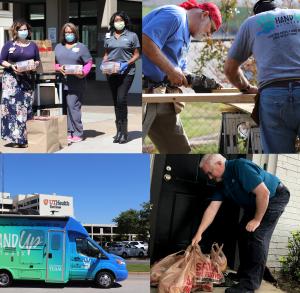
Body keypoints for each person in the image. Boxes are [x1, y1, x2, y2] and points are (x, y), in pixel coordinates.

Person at [192, 154, 290, 293]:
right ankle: (244, 274)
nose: (209, 177)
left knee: (257, 236)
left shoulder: (240, 166)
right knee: (243, 232)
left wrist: (257, 220)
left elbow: (264, 193)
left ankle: (250, 284)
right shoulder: (222, 182)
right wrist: (199, 233)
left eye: (210, 172)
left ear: (220, 164)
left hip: (274, 197)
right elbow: (212, 208)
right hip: (257, 202)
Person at [142, 0, 222, 154]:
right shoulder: (175, 15)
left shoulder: (187, 36)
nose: (209, 35)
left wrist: (197, 81)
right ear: (205, 15)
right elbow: (145, 41)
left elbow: (178, 71)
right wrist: (171, 70)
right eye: (211, 28)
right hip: (140, 90)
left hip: (159, 92)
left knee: (179, 151)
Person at [224, 0, 300, 153]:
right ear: (279, 8)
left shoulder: (252, 23)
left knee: (279, 155)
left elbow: (230, 69)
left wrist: (246, 87)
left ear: (256, 13)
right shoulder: (298, 14)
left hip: (274, 95)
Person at [0, 19, 40, 148]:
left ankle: (25, 138)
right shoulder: (9, 45)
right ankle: (16, 139)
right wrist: (12, 66)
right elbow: (1, 60)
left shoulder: (33, 45)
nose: (24, 32)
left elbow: (37, 60)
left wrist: (35, 65)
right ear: (15, 31)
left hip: (27, 79)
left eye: (25, 29)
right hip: (11, 80)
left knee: (25, 108)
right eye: (21, 29)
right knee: (12, 109)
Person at [102, 11, 140, 144]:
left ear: (125, 21)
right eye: (116, 20)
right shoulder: (108, 36)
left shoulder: (132, 36)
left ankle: (124, 132)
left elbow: (136, 55)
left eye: (120, 20)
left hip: (127, 72)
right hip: (111, 72)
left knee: (121, 99)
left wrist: (126, 64)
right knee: (115, 101)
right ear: (112, 23)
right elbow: (106, 53)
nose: (118, 22)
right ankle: (118, 131)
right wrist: (103, 64)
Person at [55, 22, 93, 143]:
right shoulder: (58, 47)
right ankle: (68, 132)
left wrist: (83, 73)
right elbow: (53, 62)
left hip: (76, 83)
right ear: (63, 34)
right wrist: (58, 68)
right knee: (64, 109)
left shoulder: (81, 47)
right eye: (66, 32)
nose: (69, 34)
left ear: (75, 33)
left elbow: (89, 62)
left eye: (71, 32)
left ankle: (78, 132)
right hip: (61, 82)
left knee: (73, 107)